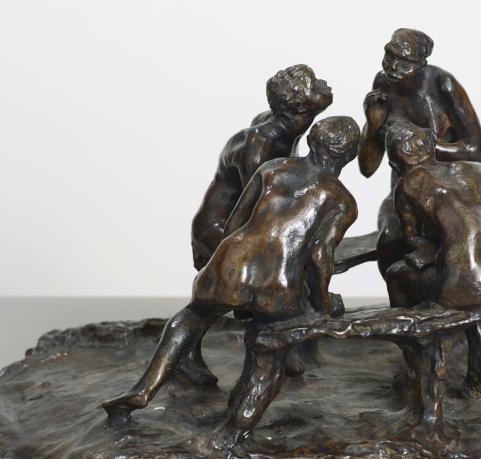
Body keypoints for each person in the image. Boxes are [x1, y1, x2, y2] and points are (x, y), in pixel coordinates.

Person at [103, 116, 360, 430]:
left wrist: (221, 266)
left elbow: (236, 222)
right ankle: (239, 416)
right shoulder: (342, 201)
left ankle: (143, 389)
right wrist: (322, 304)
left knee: (192, 316)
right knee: (270, 340)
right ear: (350, 155)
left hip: (234, 260)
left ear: (311, 140)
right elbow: (320, 256)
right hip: (279, 280)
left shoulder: (273, 169)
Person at [185, 64, 332, 384]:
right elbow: (256, 204)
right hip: (223, 227)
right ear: (299, 105)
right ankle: (186, 353)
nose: (324, 84)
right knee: (215, 298)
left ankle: (284, 348)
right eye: (315, 84)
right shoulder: (262, 144)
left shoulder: (285, 128)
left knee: (271, 284)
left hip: (244, 223)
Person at [383, 123, 481, 392]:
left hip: (467, 271)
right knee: (473, 289)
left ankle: (415, 366)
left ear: (395, 160)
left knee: (397, 275)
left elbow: (411, 236)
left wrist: (430, 249)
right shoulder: (476, 170)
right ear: (431, 145)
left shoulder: (409, 184)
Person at [357, 28, 481, 277]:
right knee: (390, 240)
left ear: (421, 63)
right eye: (389, 56)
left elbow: (477, 150)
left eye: (404, 61)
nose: (393, 66)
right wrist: (373, 127)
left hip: (445, 188)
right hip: (402, 191)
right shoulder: (382, 85)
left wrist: (420, 147)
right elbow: (367, 168)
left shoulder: (442, 85)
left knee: (453, 249)